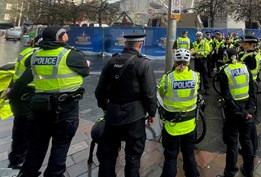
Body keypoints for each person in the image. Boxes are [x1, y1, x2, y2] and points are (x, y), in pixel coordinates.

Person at [9, 25, 89, 177]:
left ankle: (27, 173)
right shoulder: (71, 55)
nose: (67, 36)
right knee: (60, 145)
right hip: (65, 108)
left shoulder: (35, 55)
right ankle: (54, 173)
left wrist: (12, 93)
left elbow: (25, 78)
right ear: (60, 38)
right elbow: (85, 72)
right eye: (65, 34)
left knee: (36, 145)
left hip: (39, 106)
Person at [95, 33, 157, 177]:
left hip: (112, 115)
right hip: (134, 116)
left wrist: (105, 107)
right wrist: (152, 113)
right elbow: (150, 94)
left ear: (125, 44)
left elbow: (99, 91)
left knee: (108, 155)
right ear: (140, 45)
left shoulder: (111, 62)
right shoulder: (143, 63)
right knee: (133, 156)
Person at [158, 48, 200, 177]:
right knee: (189, 155)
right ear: (188, 61)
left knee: (171, 157)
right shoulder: (195, 76)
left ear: (175, 61)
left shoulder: (168, 78)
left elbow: (161, 93)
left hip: (172, 126)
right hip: (189, 125)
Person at [217, 48, 257, 177]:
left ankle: (230, 172)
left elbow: (227, 96)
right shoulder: (245, 67)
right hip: (247, 107)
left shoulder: (225, 71)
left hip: (233, 111)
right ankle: (249, 170)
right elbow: (252, 88)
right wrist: (249, 109)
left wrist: (240, 112)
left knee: (232, 142)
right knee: (246, 141)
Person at [6, 35, 42, 169]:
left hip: (22, 98)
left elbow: (17, 74)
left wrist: (11, 89)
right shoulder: (36, 56)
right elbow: (24, 79)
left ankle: (17, 158)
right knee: (25, 130)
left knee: (21, 130)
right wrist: (13, 93)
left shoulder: (26, 52)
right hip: (25, 97)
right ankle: (18, 161)